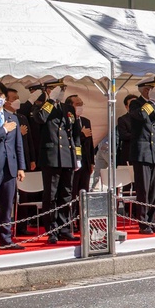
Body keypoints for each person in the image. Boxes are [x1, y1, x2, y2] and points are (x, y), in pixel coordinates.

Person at [32, 79, 82, 244]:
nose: (61, 91)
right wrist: (51, 100)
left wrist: (78, 157)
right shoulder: (40, 106)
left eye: (62, 88)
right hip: (51, 157)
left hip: (67, 156)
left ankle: (64, 228)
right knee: (51, 196)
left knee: (66, 194)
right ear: (48, 89)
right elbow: (39, 119)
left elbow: (75, 135)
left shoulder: (68, 109)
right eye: (57, 88)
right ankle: (52, 230)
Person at [129, 76, 155, 235]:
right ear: (146, 90)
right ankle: (143, 223)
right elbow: (142, 118)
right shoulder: (136, 104)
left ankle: (153, 221)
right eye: (153, 88)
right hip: (142, 152)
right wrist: (149, 103)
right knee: (143, 190)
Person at [0, 83, 26, 250]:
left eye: (0, 95)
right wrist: (4, 130)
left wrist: (21, 167)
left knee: (7, 204)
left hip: (10, 167)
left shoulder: (12, 118)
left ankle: (6, 239)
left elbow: (18, 145)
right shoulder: (7, 124)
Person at [66, 94, 95, 233]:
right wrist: (81, 134)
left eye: (81, 103)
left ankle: (83, 221)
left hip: (85, 162)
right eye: (77, 103)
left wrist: (92, 162)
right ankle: (70, 222)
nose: (80, 106)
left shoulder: (86, 121)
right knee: (72, 193)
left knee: (84, 192)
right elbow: (70, 140)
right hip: (72, 162)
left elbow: (90, 143)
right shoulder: (67, 120)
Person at [117, 94, 137, 166]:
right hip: (129, 153)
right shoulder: (123, 119)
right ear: (126, 106)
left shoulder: (144, 118)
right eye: (131, 104)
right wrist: (139, 135)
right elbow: (123, 135)